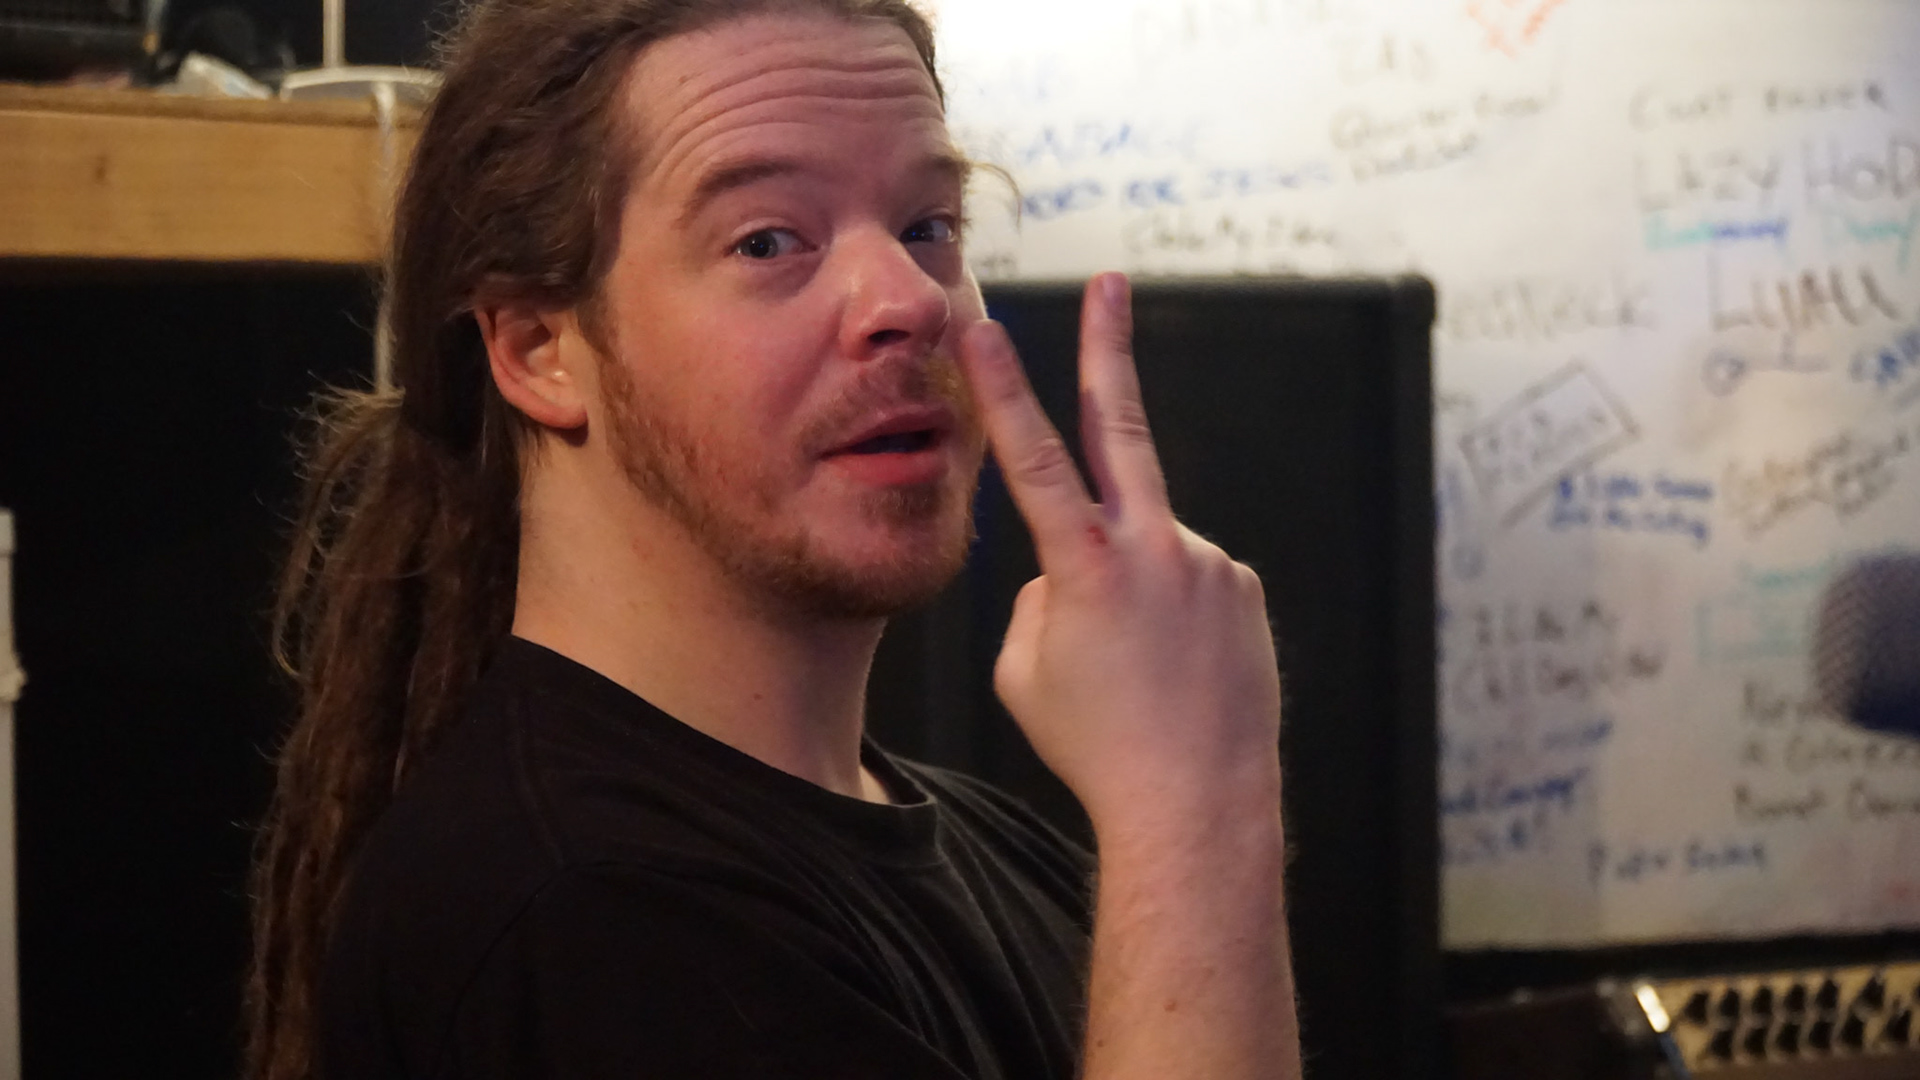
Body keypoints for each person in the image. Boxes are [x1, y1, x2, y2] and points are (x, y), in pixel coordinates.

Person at [246, 0, 1301, 1077]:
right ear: (536, 350)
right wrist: (1191, 812)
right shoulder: (584, 912)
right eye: (768, 241)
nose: (908, 300)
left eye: (929, 226)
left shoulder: (1003, 854)